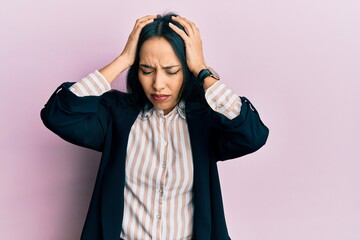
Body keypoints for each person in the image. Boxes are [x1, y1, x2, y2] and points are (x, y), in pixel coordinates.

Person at [41, 13, 269, 240]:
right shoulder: (116, 114)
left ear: (186, 71)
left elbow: (252, 135)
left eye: (171, 71)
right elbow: (58, 115)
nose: (158, 84)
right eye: (146, 70)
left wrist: (202, 70)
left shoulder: (205, 120)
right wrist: (123, 59)